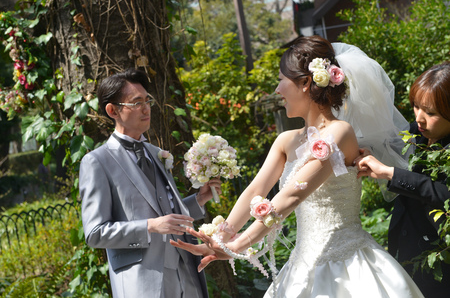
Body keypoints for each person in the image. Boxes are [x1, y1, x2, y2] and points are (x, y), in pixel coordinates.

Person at [171, 36, 424, 297]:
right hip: (301, 265)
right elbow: (255, 190)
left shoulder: (340, 133)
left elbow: (291, 195)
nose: (277, 90)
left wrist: (239, 245)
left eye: (281, 80)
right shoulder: (285, 140)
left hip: (349, 266)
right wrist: (222, 237)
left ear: (305, 82)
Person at [80, 68, 221, 298]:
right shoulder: (97, 161)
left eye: (147, 101)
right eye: (136, 103)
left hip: (186, 272)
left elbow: (165, 211)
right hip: (141, 281)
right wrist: (150, 226)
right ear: (112, 110)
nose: (146, 109)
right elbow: (95, 233)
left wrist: (199, 199)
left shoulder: (156, 154)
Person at [355, 62, 450, 297]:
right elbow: (382, 141)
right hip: (407, 246)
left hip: (440, 258)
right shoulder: (415, 133)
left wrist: (390, 174)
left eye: (431, 113)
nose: (420, 118)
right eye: (416, 106)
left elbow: (444, 193)